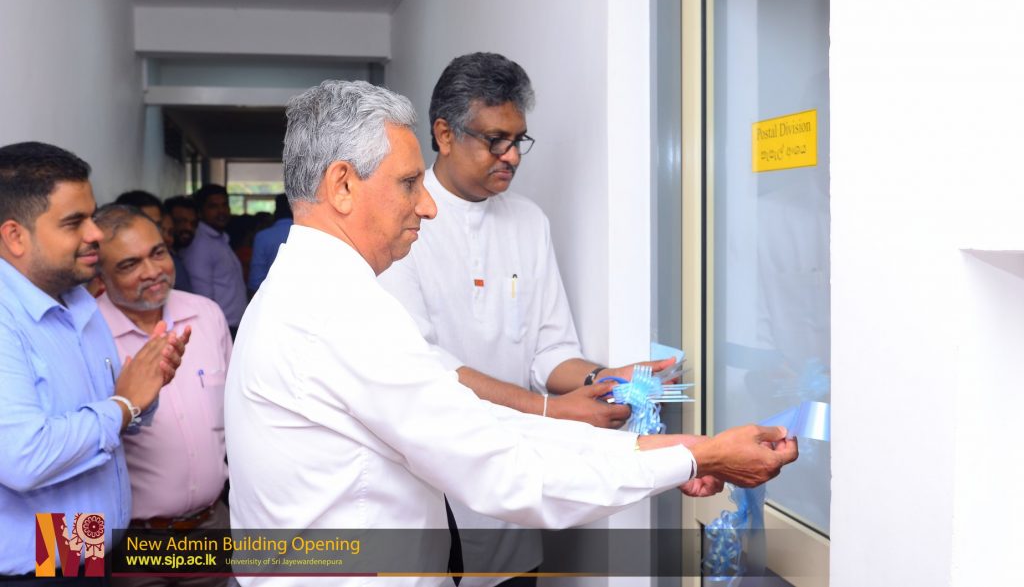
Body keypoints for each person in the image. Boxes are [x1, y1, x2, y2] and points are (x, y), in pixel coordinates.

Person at [225, 81, 797, 587]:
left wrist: (683, 450)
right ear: (343, 186)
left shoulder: (307, 291)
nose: (426, 206)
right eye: (408, 183)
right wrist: (697, 459)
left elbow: (482, 424)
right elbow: (505, 471)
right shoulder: (339, 313)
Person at [376, 52, 671, 582]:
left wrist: (604, 378)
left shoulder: (529, 222)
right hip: (435, 492)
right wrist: (552, 410)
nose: (511, 156)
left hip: (515, 494)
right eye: (496, 140)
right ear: (444, 134)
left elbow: (549, 352)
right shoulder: (402, 225)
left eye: (518, 140)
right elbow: (427, 370)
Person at [0, 142, 186, 580]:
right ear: (15, 236)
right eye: (74, 222)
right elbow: (24, 458)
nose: (96, 233)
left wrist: (145, 386)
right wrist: (124, 405)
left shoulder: (77, 302)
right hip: (33, 571)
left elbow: (110, 420)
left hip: (81, 549)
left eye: (92, 215)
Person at [94, 204, 232, 587]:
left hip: (210, 528)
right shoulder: (84, 333)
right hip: (129, 543)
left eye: (158, 253)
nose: (153, 271)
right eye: (129, 264)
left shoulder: (206, 315)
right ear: (99, 275)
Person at [182, 185, 246, 332]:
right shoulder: (200, 244)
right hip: (219, 327)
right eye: (213, 206)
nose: (221, 211)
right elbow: (203, 297)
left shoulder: (220, 238)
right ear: (200, 212)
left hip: (231, 325)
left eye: (224, 205)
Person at [117, 190, 193, 293]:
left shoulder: (172, 264)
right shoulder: (109, 267)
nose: (154, 231)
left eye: (157, 225)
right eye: (145, 225)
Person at [247, 193, 292, 293]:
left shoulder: (262, 237)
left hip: (269, 298)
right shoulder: (309, 233)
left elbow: (255, 281)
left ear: (276, 210)